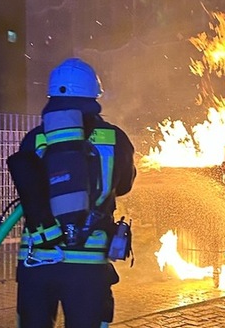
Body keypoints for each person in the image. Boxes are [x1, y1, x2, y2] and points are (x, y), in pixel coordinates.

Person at [8, 57, 136, 328]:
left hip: (37, 260)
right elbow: (124, 186)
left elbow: (30, 189)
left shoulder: (35, 138)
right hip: (87, 265)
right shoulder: (115, 138)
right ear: (93, 93)